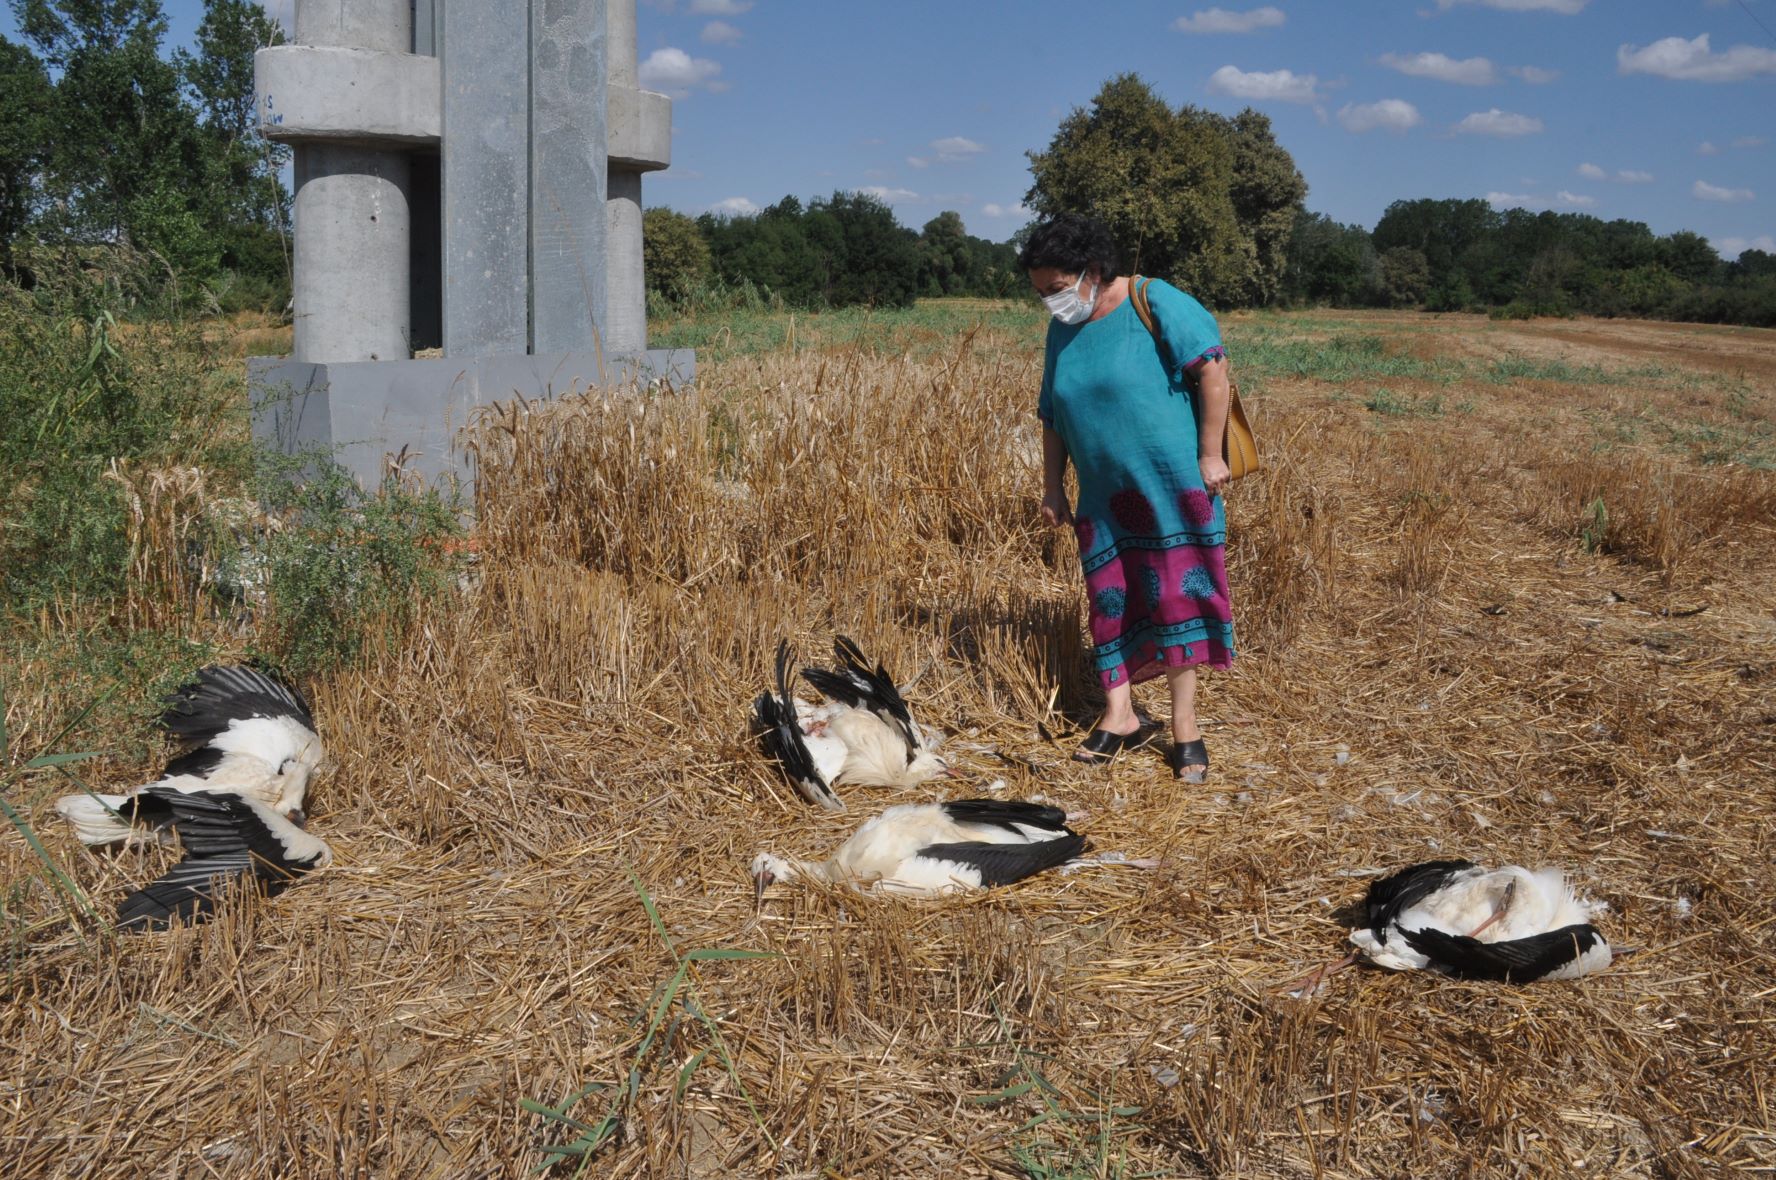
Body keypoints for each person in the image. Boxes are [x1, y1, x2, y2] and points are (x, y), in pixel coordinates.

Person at [1019, 214, 1235, 783]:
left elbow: (1214, 371)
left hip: (1171, 486)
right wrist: (1051, 486)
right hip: (1103, 499)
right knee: (1109, 599)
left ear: (1092, 270)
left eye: (1057, 289)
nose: (1050, 303)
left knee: (1175, 601)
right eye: (1040, 294)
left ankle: (1185, 726)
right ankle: (1121, 717)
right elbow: (1052, 414)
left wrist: (1211, 454)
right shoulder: (1064, 329)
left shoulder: (1152, 299)